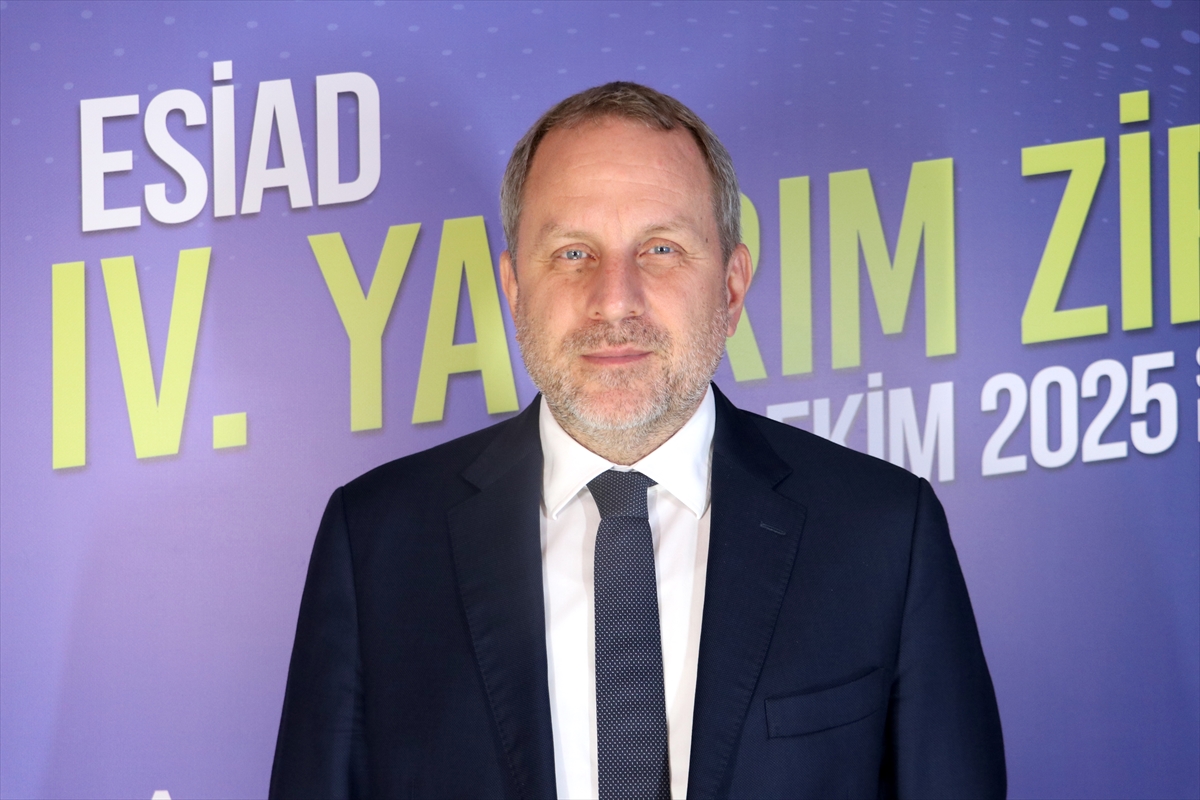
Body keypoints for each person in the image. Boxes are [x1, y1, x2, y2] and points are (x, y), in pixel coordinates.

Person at [269, 82, 1005, 800]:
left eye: (659, 248)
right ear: (515, 291)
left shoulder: (884, 535)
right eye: (572, 253)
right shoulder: (377, 545)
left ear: (732, 287)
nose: (614, 299)